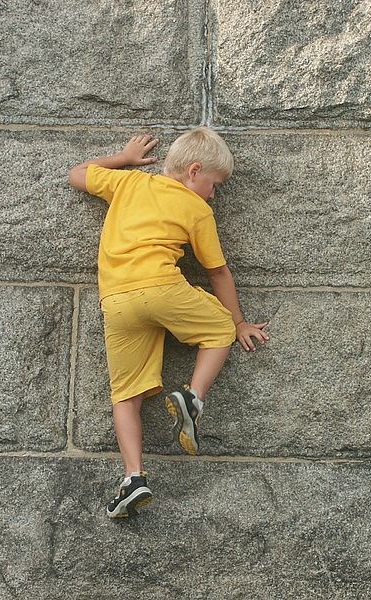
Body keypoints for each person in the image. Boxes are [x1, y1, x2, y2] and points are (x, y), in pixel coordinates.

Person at [68, 128, 269, 519]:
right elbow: (218, 272)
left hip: (117, 302)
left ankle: (133, 477)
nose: (214, 195)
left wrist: (124, 157)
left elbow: (77, 173)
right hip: (161, 288)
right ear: (194, 171)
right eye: (215, 185)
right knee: (219, 330)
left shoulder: (127, 182)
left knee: (125, 394)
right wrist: (240, 322)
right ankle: (193, 398)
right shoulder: (197, 209)